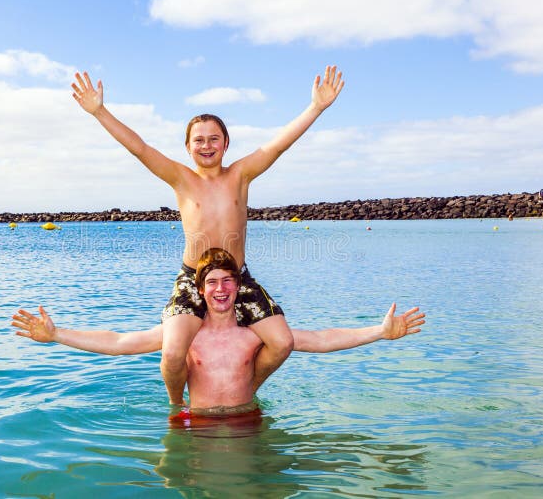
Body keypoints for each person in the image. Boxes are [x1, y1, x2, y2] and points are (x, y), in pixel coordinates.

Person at [71, 66, 345, 405]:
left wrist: (316, 107)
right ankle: (177, 405)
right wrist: (100, 111)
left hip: (236, 278)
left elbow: (277, 146)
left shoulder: (241, 175)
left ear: (226, 143)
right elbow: (139, 148)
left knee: (283, 342)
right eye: (198, 139)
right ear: (187, 146)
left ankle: (247, 389)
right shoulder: (180, 177)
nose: (207, 145)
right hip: (193, 279)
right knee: (172, 353)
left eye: (214, 138)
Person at [11, 248, 426, 417]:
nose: (221, 289)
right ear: (200, 289)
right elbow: (120, 343)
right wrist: (57, 334)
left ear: (238, 288)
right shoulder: (183, 336)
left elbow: (319, 339)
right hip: (199, 425)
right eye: (212, 282)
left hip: (250, 421)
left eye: (229, 281)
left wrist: (379, 331)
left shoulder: (253, 334)